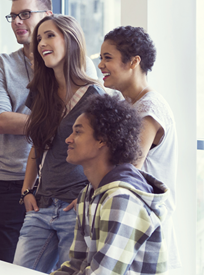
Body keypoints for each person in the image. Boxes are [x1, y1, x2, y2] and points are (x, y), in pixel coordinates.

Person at [14, 14, 103, 273]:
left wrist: (88, 196)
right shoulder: (41, 93)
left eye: (50, 35)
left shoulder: (95, 96)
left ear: (71, 40)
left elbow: (108, 155)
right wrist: (26, 190)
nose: (41, 43)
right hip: (41, 205)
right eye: (39, 38)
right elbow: (37, 146)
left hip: (75, 209)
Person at [52, 93, 170, 275]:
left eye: (78, 132)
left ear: (102, 140)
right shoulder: (88, 193)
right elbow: (76, 265)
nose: (68, 139)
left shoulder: (122, 199)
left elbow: (104, 273)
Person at [98, 25, 180, 268]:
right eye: (101, 57)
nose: (101, 65)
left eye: (107, 58)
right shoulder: (125, 104)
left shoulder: (149, 109)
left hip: (146, 223)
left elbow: (128, 169)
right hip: (128, 217)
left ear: (133, 62)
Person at [0, 0, 52, 262]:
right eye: (13, 16)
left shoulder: (70, 63)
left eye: (25, 14)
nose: (17, 22)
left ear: (47, 15)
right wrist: (55, 121)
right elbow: (0, 119)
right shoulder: (1, 64)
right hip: (10, 182)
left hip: (56, 185)